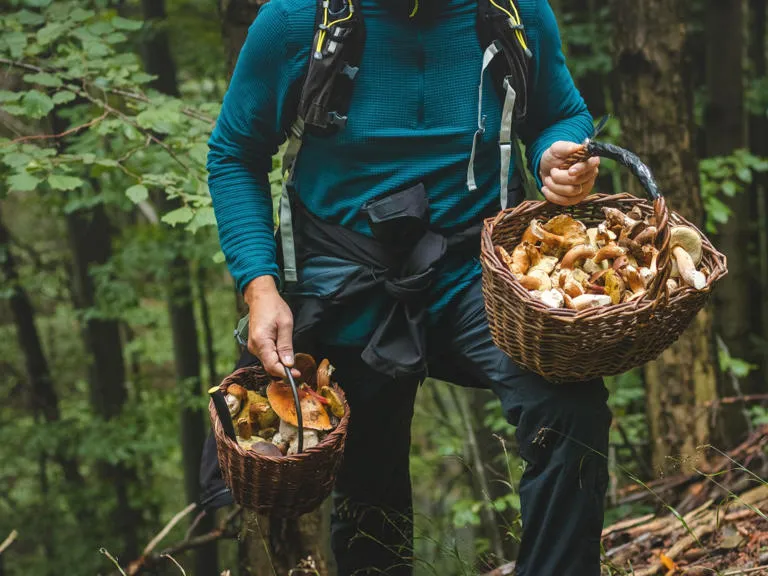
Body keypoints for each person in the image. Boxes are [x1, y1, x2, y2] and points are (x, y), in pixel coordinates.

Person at [206, 0, 609, 574]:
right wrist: (260, 286)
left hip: (481, 275)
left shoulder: (511, 11)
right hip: (347, 281)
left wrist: (555, 155)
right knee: (370, 497)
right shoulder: (298, 20)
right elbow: (235, 153)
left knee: (568, 406)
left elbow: (562, 114)